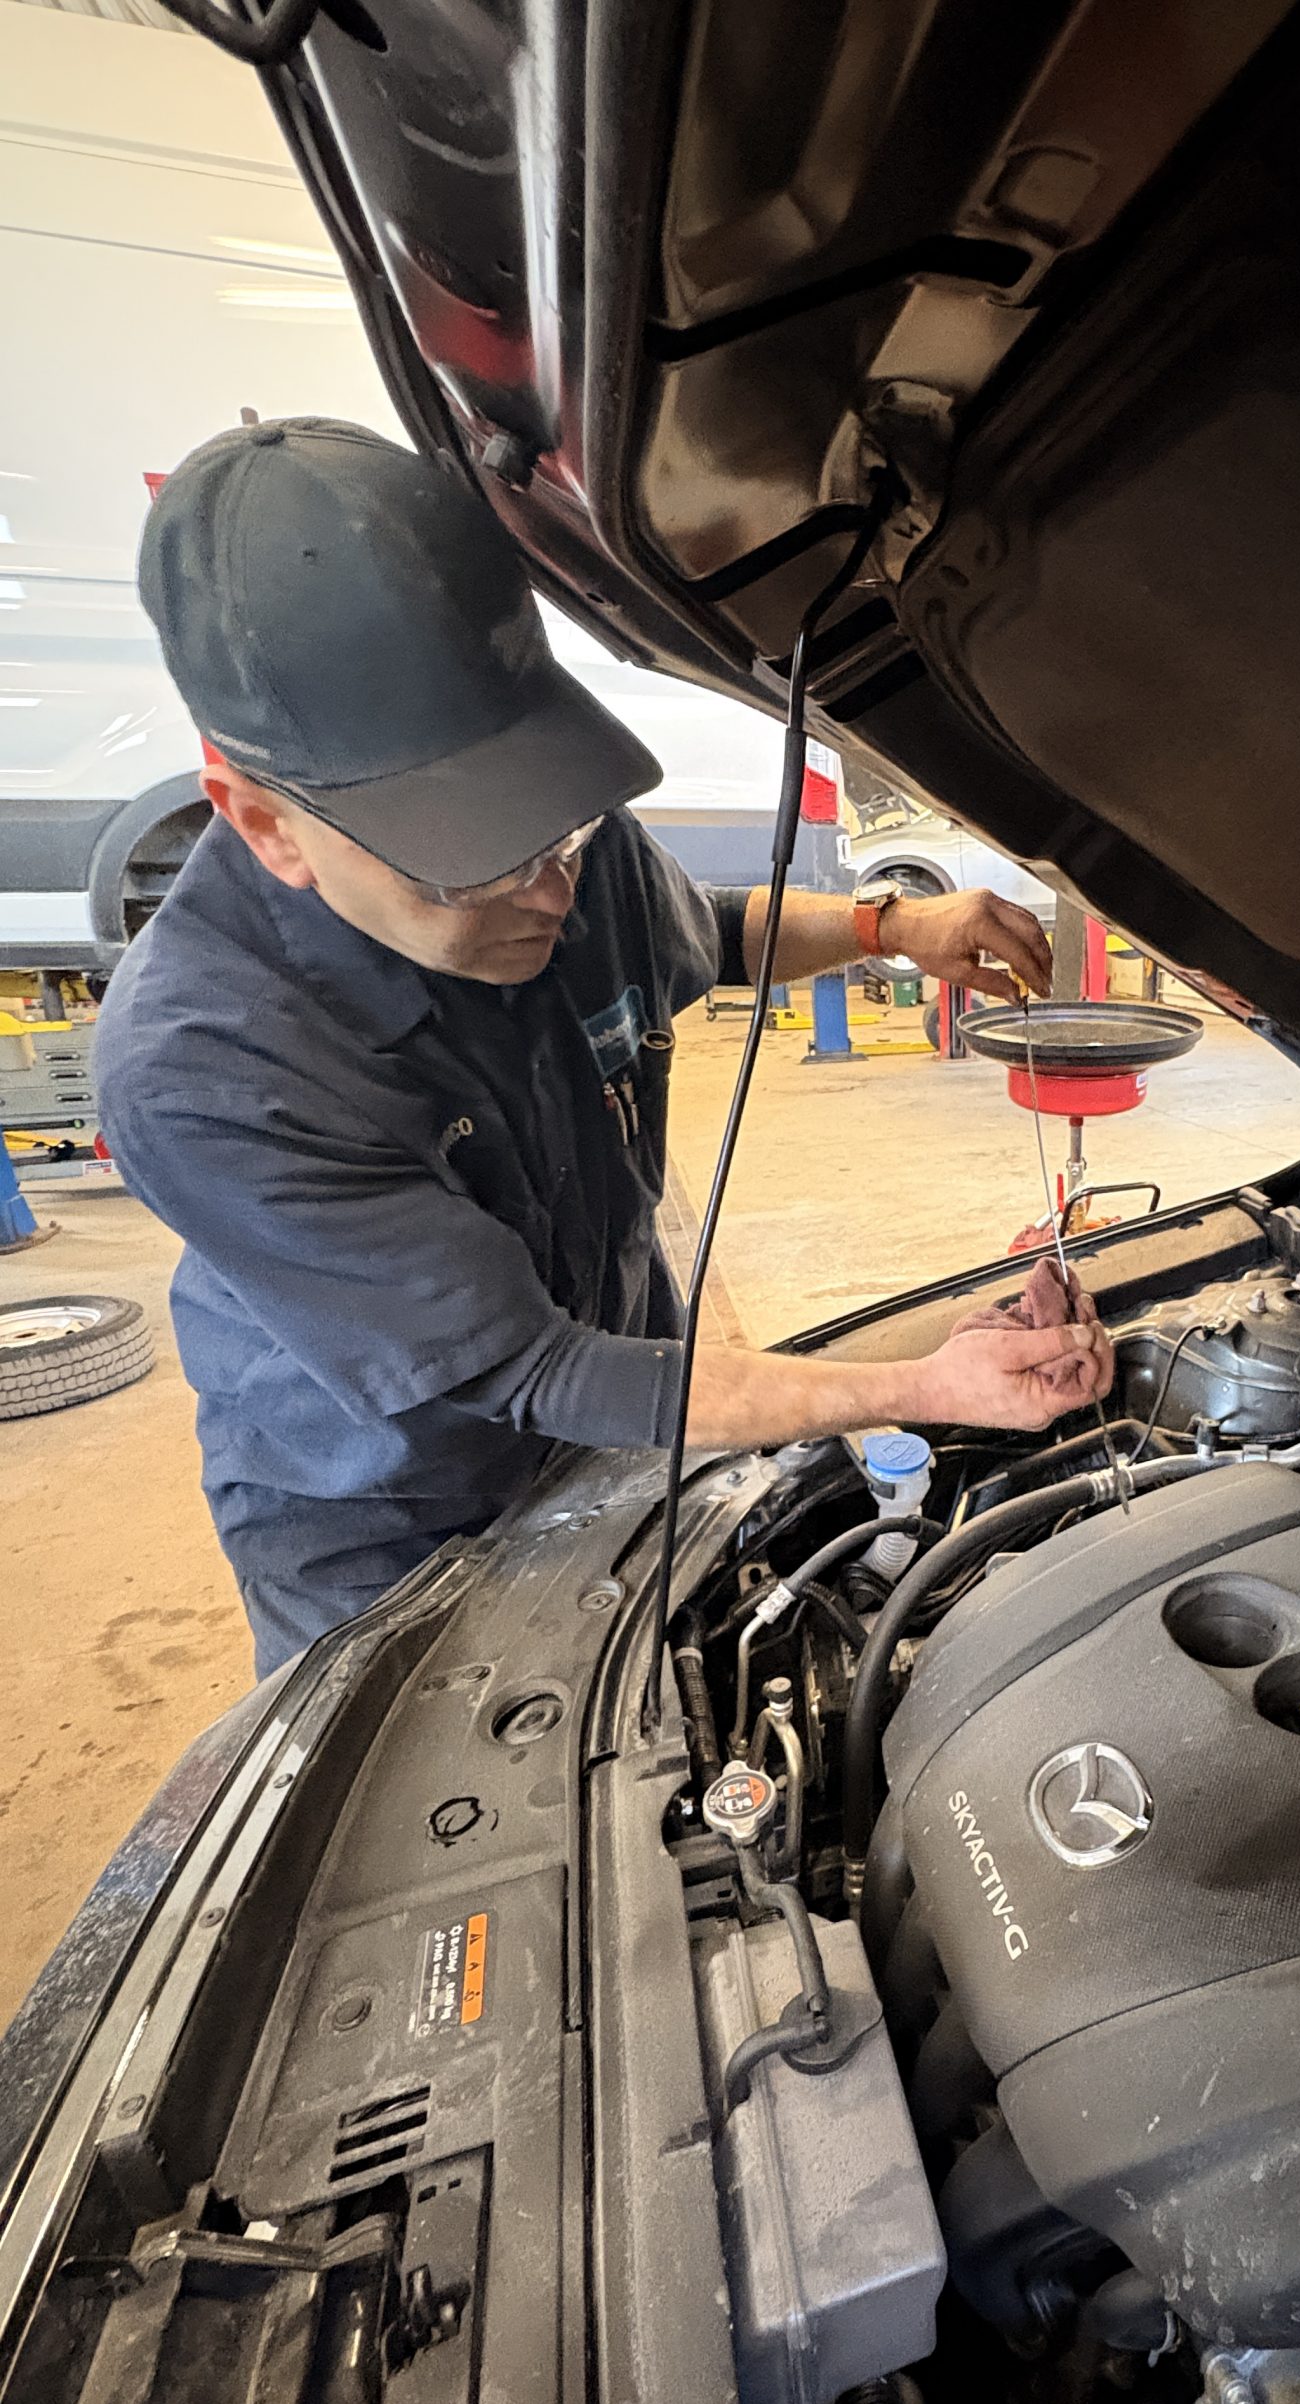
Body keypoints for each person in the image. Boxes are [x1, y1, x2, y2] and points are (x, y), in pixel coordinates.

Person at [96, 418, 1113, 1674]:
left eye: (563, 833)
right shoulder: (204, 1069)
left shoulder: (561, 845)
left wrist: (893, 923)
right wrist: (923, 1384)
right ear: (267, 826)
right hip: (396, 1526)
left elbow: (713, 934)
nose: (550, 889)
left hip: (634, 1417)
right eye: (485, 861)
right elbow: (538, 1369)